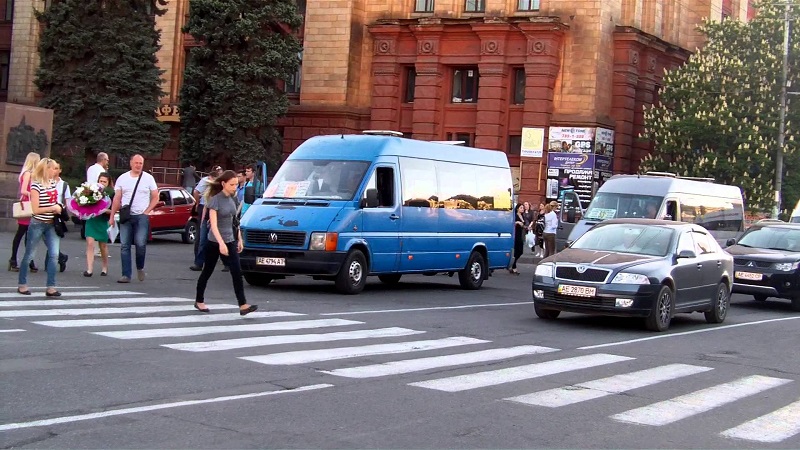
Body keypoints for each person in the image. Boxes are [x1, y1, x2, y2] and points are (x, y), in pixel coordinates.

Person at [194, 170, 257, 316]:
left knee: (236, 272)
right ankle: (199, 300)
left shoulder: (233, 199)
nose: (235, 187)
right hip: (214, 242)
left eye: (236, 184)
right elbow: (214, 226)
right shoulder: (215, 200)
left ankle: (243, 305)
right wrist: (221, 244)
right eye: (232, 184)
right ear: (223, 184)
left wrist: (239, 239)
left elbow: (235, 221)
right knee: (207, 271)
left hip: (230, 239)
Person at [108, 154, 158, 283]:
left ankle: (140, 267)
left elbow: (155, 196)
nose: (138, 165)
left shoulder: (148, 178)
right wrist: (112, 216)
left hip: (141, 216)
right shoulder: (122, 178)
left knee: (140, 243)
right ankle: (126, 274)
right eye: (136, 163)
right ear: (130, 163)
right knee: (125, 245)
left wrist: (147, 211)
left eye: (140, 163)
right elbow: (117, 198)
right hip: (126, 215)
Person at [17, 158, 63, 297]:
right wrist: (53, 207)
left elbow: (54, 200)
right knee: (30, 254)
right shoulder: (36, 185)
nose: (55, 171)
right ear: (46, 169)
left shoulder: (53, 183)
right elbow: (35, 209)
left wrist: (59, 207)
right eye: (53, 168)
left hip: (51, 223)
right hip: (38, 223)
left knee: (54, 255)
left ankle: (51, 286)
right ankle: (22, 284)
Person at [9, 152, 41, 273]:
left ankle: (27, 260)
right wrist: (34, 194)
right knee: (22, 234)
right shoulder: (28, 174)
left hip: (31, 205)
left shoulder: (31, 174)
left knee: (29, 235)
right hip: (28, 206)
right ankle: (15, 260)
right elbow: (23, 190)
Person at [191, 165, 223, 271]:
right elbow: (205, 204)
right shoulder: (207, 185)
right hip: (206, 213)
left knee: (217, 239)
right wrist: (204, 217)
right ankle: (199, 263)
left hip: (216, 214)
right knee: (202, 239)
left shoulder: (220, 189)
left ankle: (223, 262)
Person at [84, 172, 114, 277]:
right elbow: (85, 203)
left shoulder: (111, 194)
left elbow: (114, 210)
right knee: (90, 243)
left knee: (103, 245)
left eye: (104, 182)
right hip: (92, 219)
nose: (102, 183)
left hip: (102, 221)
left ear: (108, 183)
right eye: (100, 181)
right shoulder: (92, 190)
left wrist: (105, 210)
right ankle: (89, 269)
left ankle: (104, 267)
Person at [509, 204, 525, 274]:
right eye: (521, 208)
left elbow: (523, 224)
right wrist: (517, 222)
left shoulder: (522, 216)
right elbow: (511, 223)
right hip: (516, 234)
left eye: (523, 208)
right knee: (516, 250)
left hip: (521, 234)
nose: (522, 209)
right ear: (517, 208)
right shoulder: (515, 215)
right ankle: (514, 266)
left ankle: (513, 264)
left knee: (520, 251)